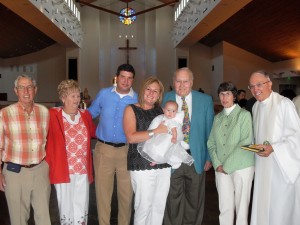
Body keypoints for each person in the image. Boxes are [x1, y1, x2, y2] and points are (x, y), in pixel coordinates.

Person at [88, 64, 138, 225]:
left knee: (126, 195)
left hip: (126, 152)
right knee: (102, 195)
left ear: (133, 80)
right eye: (123, 77)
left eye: (129, 78)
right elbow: (89, 115)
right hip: (104, 150)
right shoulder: (104, 94)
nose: (126, 81)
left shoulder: (137, 99)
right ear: (116, 77)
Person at [163, 67, 214, 225]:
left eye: (186, 81)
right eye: (178, 81)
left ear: (192, 82)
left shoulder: (205, 100)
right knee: (172, 201)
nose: (182, 85)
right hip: (172, 158)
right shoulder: (165, 98)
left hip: (195, 158)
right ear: (173, 82)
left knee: (194, 200)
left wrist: (208, 157)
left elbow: (210, 131)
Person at [248, 70, 300, 225]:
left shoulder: (284, 104)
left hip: (280, 170)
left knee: (279, 213)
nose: (255, 89)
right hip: (263, 167)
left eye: (259, 84)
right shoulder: (256, 107)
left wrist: (274, 148)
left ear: (269, 84)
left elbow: (296, 137)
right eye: (251, 86)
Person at [0, 75, 51, 225]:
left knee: (44, 218)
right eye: (21, 87)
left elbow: (47, 140)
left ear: (35, 90)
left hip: (40, 170)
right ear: (16, 91)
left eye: (29, 87)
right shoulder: (5, 114)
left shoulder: (44, 112)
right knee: (19, 219)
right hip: (15, 173)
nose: (26, 91)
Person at [45, 79, 96, 225]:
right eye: (72, 96)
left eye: (77, 96)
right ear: (63, 98)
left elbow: (94, 132)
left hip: (83, 169)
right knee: (66, 207)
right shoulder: (53, 115)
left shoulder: (85, 115)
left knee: (81, 206)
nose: (76, 99)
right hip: (63, 169)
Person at [123, 76, 170, 225]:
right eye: (149, 89)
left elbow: (168, 135)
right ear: (143, 89)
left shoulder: (161, 111)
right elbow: (131, 137)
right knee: (143, 207)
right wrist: (156, 131)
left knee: (159, 206)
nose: (151, 93)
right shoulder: (131, 109)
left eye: (155, 91)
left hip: (162, 164)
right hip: (141, 164)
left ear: (159, 95)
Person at [207, 82, 254, 225]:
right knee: (224, 207)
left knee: (241, 209)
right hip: (221, 168)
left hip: (242, 167)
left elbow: (246, 142)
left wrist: (226, 166)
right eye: (221, 94)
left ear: (234, 96)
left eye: (228, 94)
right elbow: (211, 143)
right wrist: (217, 164)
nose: (224, 97)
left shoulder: (244, 115)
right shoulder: (217, 118)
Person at [137, 100, 194, 169]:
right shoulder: (161, 117)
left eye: (173, 111)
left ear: (176, 112)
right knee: (155, 147)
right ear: (163, 110)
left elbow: (174, 130)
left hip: (169, 137)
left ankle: (175, 162)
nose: (170, 113)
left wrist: (174, 137)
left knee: (168, 150)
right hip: (160, 136)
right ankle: (156, 159)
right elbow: (154, 126)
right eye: (168, 110)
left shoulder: (172, 121)